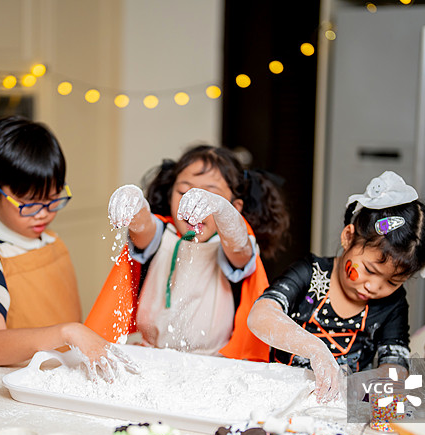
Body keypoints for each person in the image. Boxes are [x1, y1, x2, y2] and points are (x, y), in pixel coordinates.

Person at [247, 171, 425, 402]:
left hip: (343, 406)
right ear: (348, 237)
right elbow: (260, 316)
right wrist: (315, 349)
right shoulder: (310, 273)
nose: (373, 286)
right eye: (369, 270)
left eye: (392, 282)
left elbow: (396, 369)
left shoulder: (392, 304)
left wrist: (359, 383)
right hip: (280, 398)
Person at [0, 116, 132, 378]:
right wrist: (66, 332)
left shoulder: (51, 240)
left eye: (53, 199)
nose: (44, 213)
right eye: (30, 203)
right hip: (20, 383)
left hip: (64, 377)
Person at [86, 145, 289, 361]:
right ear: (170, 195)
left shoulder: (228, 245)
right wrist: (135, 203)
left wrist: (220, 209)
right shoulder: (162, 234)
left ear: (235, 207)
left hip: (211, 361)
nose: (193, 204)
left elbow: (239, 247)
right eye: (183, 192)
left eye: (210, 195)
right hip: (150, 355)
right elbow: (143, 225)